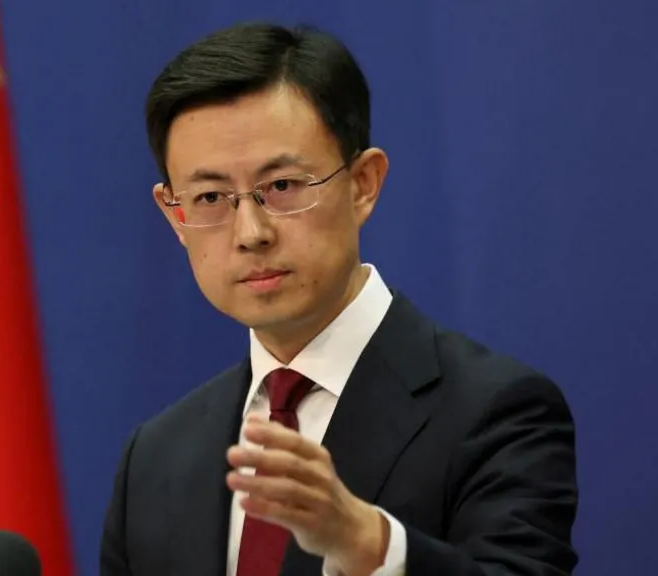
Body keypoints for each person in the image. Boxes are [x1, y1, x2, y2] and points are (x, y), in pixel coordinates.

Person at [99, 21, 578, 576]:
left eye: (282, 187)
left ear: (363, 183)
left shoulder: (497, 412)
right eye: (210, 197)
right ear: (174, 214)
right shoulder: (155, 459)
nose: (250, 231)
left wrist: (369, 544)